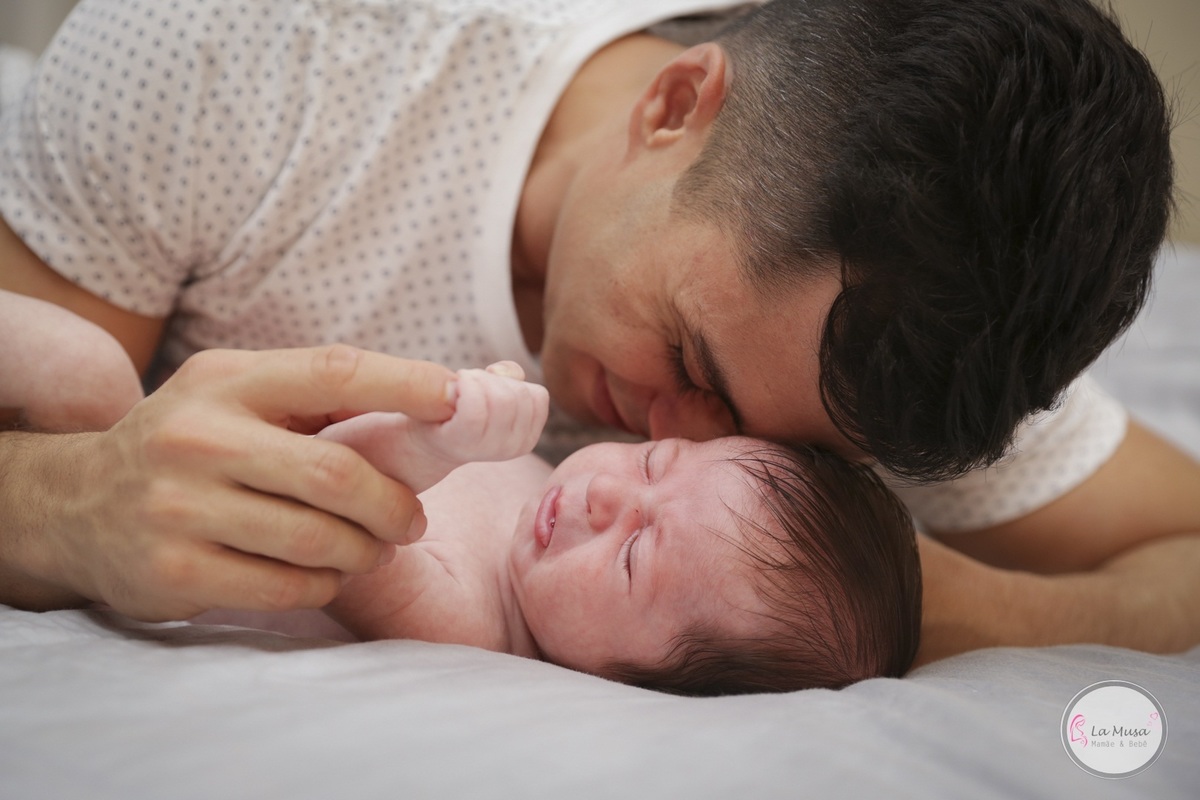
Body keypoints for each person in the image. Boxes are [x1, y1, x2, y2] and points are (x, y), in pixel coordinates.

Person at [0, 0, 1197, 665]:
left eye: (775, 448)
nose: (665, 439)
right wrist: (65, 500)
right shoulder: (225, 57)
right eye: (690, 363)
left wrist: (883, 604)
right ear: (675, 107)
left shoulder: (922, 329)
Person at [0, 288, 922, 695]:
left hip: (107, 558)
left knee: (83, 375)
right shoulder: (538, 507)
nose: (607, 499)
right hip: (142, 472)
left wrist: (431, 438)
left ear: (634, 684)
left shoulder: (469, 626)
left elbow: (340, 507)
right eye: (654, 466)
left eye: (636, 556)